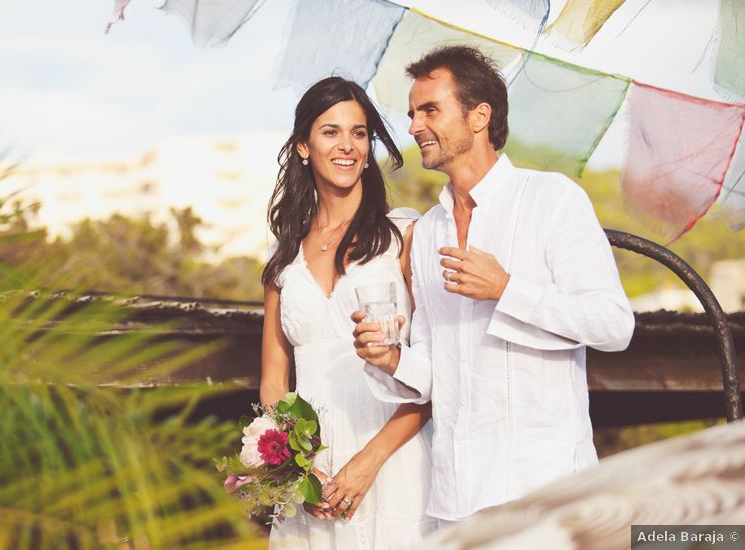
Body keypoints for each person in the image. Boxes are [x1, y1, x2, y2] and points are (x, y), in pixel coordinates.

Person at [354, 45, 635, 527]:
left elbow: (614, 326)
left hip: (544, 494)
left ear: (479, 116)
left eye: (430, 110)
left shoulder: (553, 199)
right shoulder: (428, 233)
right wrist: (391, 359)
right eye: (412, 113)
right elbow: (434, 367)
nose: (414, 126)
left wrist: (506, 288)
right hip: (454, 503)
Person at [260, 76, 437, 548]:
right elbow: (275, 382)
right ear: (303, 145)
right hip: (313, 471)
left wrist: (369, 460)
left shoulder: (404, 237)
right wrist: (298, 473)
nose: (348, 146)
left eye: (359, 133)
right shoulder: (282, 257)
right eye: (330, 131)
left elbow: (435, 367)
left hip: (392, 460)